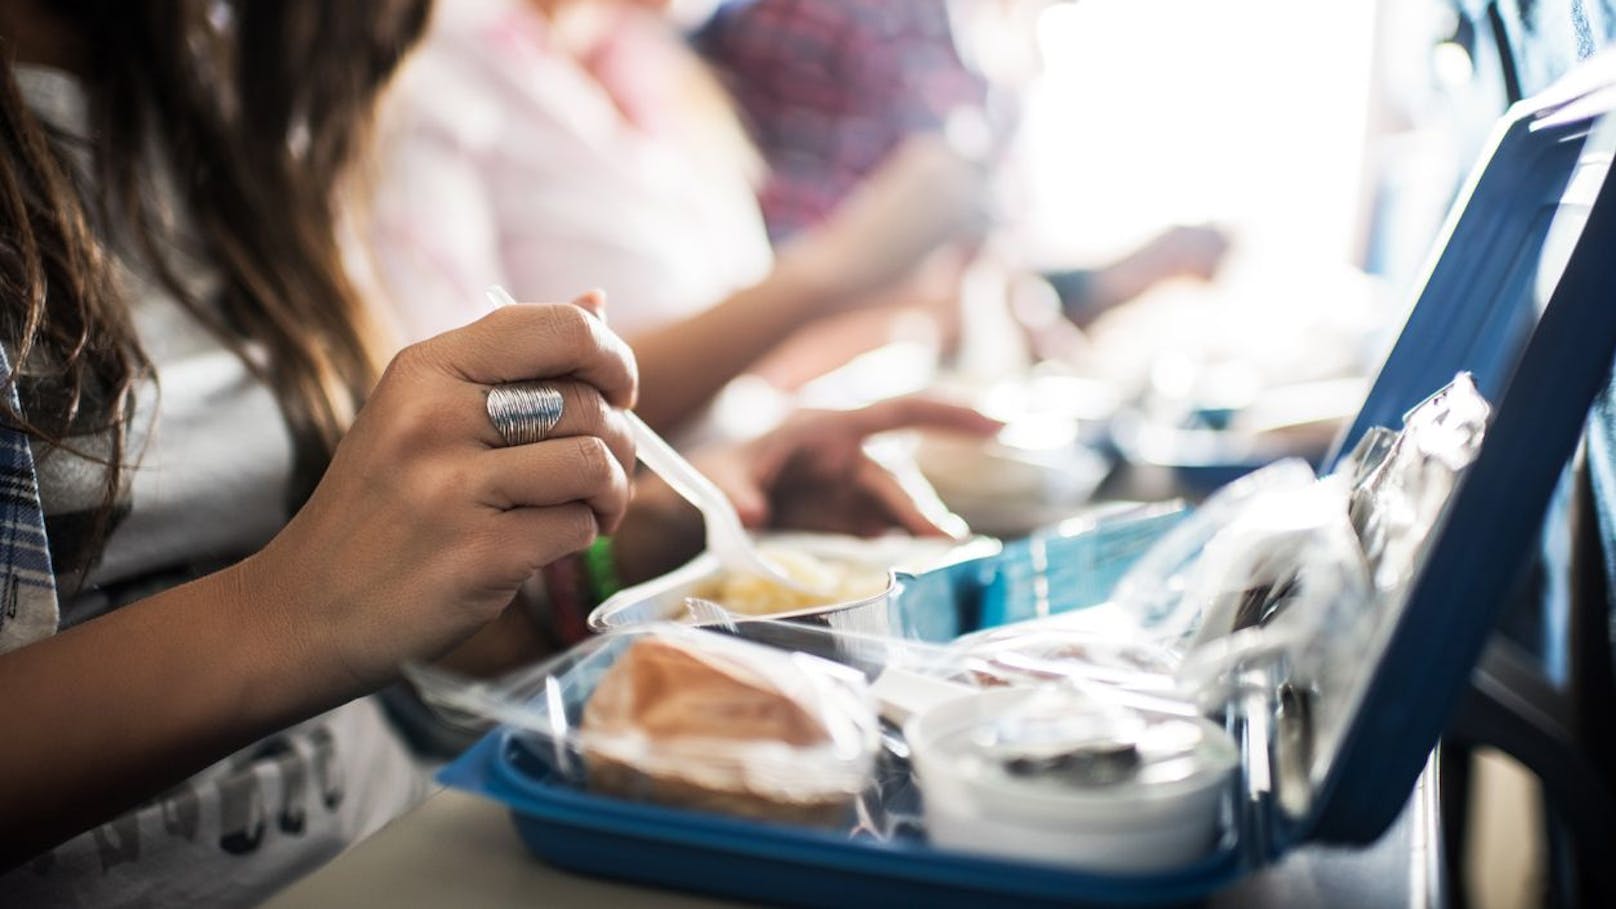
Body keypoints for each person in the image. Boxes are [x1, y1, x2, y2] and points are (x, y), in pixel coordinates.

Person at [0, 2, 996, 905]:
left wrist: (641, 533)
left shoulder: (244, 96)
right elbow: (313, 606)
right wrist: (292, 604)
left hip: (424, 828)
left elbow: (397, 628)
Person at [367, 0, 991, 436]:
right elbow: (471, 418)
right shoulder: (429, 70)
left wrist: (903, 318)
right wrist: (828, 272)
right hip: (581, 576)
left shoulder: (650, 64)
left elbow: (727, 377)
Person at [697, 0, 1231, 327]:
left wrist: (1107, 284)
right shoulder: (834, 16)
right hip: (792, 375)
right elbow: (764, 280)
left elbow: (982, 284)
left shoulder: (994, 63)